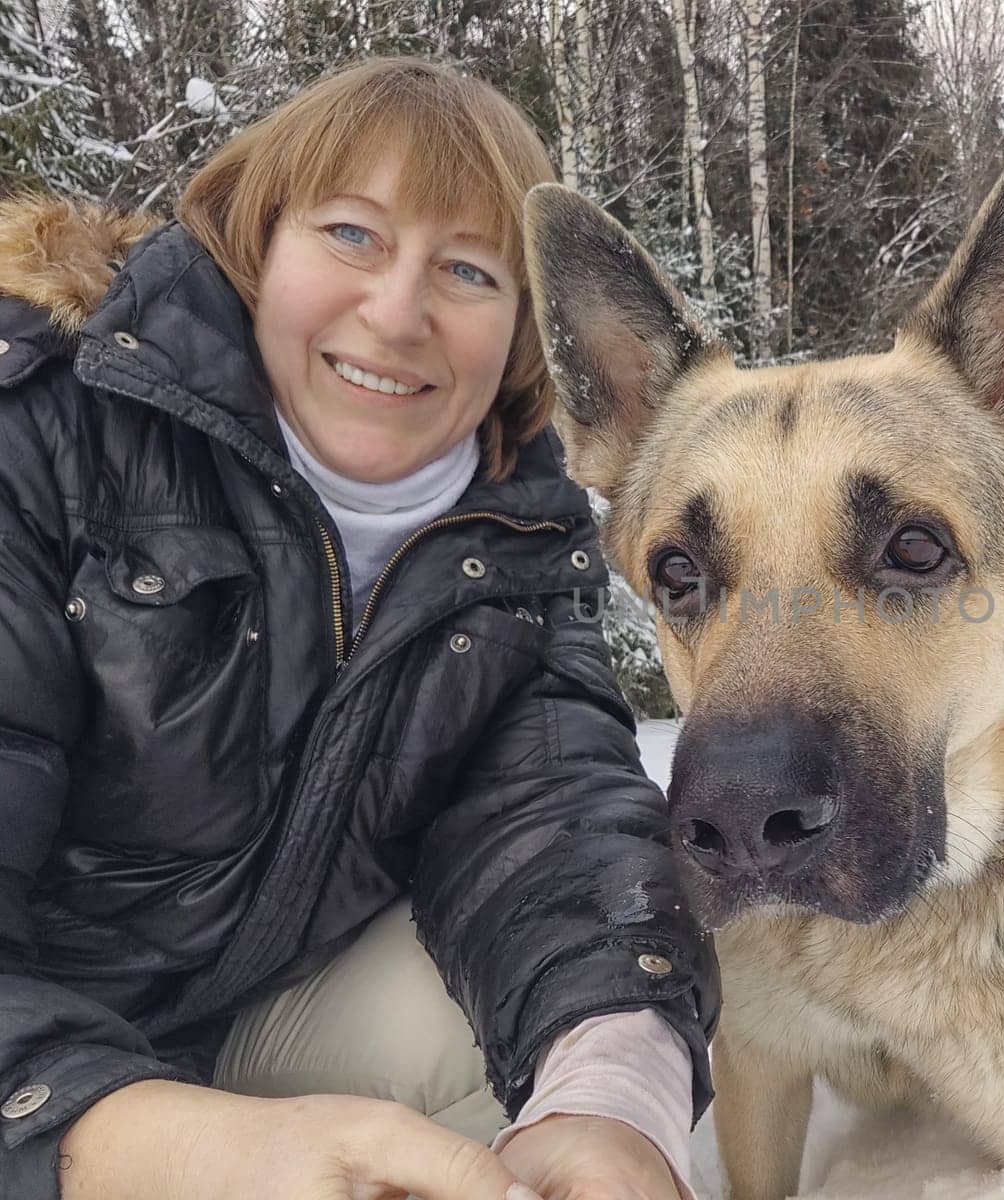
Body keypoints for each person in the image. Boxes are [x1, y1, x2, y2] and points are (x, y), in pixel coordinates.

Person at [0, 58, 718, 1200]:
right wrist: (172, 1144)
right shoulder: (45, 432)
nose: (396, 314)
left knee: (584, 1046)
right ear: (254, 240)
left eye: (470, 271)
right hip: (34, 1076)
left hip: (250, 1021)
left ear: (524, 330)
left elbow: (556, 820)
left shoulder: (518, 528)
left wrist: (615, 1095)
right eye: (351, 235)